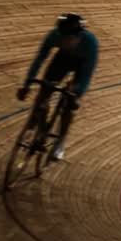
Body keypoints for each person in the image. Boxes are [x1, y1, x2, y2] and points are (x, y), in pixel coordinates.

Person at [16, 13, 99, 161]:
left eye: (69, 38)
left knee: (68, 102)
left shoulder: (90, 43)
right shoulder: (54, 36)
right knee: (44, 92)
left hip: (81, 65)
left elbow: (87, 73)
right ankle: (37, 127)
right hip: (62, 60)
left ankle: (60, 141)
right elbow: (39, 59)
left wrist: (76, 91)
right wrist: (27, 84)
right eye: (63, 37)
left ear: (79, 35)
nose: (65, 40)